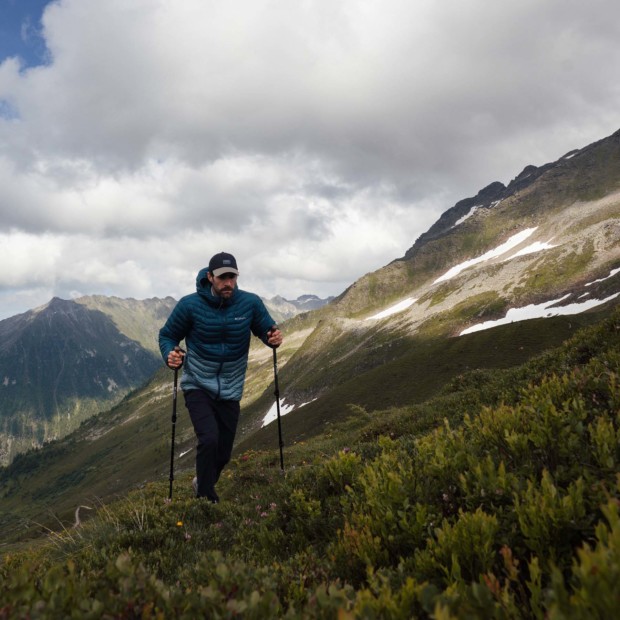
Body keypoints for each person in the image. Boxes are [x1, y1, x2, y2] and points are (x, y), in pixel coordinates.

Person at [159, 252, 283, 503]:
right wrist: (170, 354)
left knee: (224, 453)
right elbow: (167, 335)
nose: (228, 283)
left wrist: (273, 339)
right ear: (210, 277)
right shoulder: (189, 305)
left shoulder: (249, 303)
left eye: (232, 277)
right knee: (209, 439)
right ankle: (206, 499)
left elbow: (266, 330)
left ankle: (201, 483)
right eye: (222, 277)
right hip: (197, 384)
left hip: (231, 387)